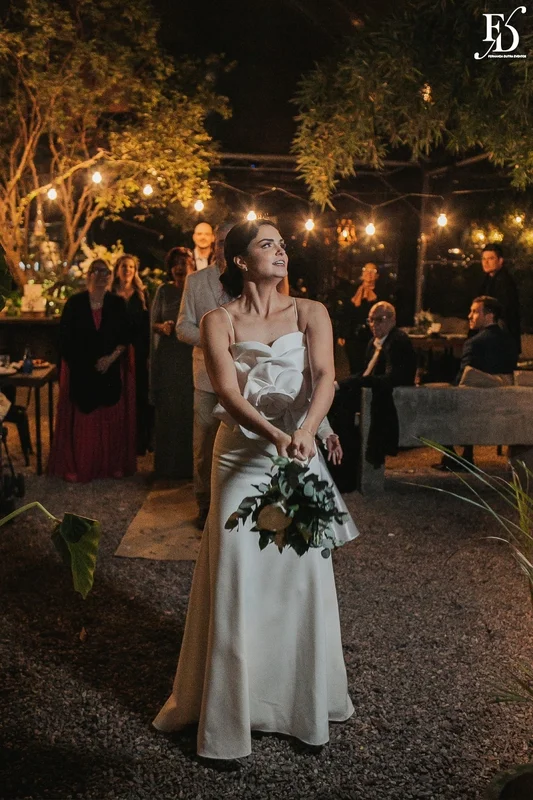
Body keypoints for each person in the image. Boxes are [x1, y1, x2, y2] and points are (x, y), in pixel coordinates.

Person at [153, 219, 359, 759]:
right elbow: (225, 387)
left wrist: (307, 432)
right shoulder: (218, 319)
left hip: (300, 449)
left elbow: (325, 377)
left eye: (282, 244)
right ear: (240, 259)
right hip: (242, 454)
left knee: (299, 572)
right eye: (267, 244)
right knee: (238, 571)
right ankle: (229, 712)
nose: (281, 251)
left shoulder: (312, 312)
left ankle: (298, 703)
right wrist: (274, 434)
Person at [47, 259, 135, 482]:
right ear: (89, 275)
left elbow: (126, 336)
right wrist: (84, 363)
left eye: (106, 271)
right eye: (97, 271)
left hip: (110, 371)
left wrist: (110, 359)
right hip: (82, 371)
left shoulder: (117, 303)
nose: (102, 275)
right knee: (84, 422)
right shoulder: (75, 303)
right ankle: (81, 466)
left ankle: (110, 465)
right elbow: (63, 340)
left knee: (109, 419)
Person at [176, 224, 233, 527]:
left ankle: (232, 504)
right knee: (204, 444)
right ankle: (204, 503)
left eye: (230, 243)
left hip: (242, 378)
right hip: (207, 378)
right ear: (213, 245)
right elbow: (182, 327)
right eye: (221, 243)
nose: (224, 248)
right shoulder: (196, 282)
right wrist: (212, 339)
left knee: (238, 444)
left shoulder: (249, 280)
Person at [329, 301, 417, 492]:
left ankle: (346, 472)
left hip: (394, 397)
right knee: (336, 406)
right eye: (370, 320)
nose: (374, 325)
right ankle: (340, 467)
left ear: (392, 320)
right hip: (369, 392)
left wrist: (347, 384)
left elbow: (392, 377)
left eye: (380, 320)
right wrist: (343, 383)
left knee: (342, 407)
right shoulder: (373, 343)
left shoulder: (398, 341)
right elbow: (365, 373)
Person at [433, 295, 517, 471]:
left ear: (489, 315)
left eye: (474, 312)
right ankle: (465, 455)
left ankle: (453, 456)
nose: (469, 316)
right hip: (504, 403)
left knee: (437, 400)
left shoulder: (475, 343)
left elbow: (463, 378)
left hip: (474, 406)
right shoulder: (509, 341)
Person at [150, 247, 195, 478]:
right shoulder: (164, 290)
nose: (179, 267)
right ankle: (167, 468)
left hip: (190, 358)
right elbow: (153, 323)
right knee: (169, 411)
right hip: (169, 358)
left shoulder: (197, 290)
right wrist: (162, 327)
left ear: (192, 265)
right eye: (175, 263)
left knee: (189, 412)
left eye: (183, 262)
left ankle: (188, 468)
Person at [111, 254, 151, 455]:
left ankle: (137, 442)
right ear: (117, 270)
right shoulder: (110, 293)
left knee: (137, 395)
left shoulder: (141, 294)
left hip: (137, 350)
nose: (127, 270)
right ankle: (116, 441)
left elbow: (147, 324)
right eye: (123, 266)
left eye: (131, 267)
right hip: (114, 350)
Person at [338, 263, 381, 374]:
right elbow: (345, 312)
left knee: (370, 368)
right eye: (366, 270)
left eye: (373, 271)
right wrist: (342, 334)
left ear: (377, 276)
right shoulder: (353, 290)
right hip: (354, 336)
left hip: (372, 335)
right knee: (355, 367)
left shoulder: (381, 292)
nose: (369, 274)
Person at [479, 243, 521, 355]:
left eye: (491, 258)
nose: (486, 262)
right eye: (483, 259)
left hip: (502, 340)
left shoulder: (505, 282)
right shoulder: (486, 281)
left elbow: (506, 312)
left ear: (500, 260)